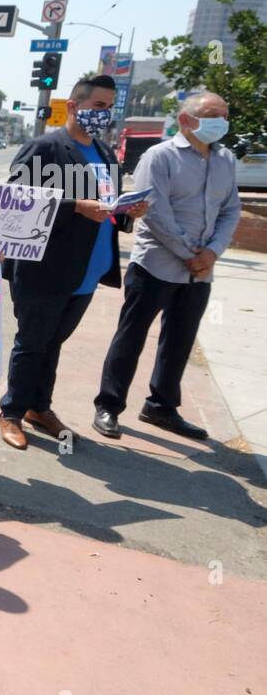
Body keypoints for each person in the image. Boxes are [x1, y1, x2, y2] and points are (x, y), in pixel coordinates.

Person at [0, 73, 148, 450]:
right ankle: (11, 411)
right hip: (44, 269)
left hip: (88, 271)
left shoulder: (105, 153)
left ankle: (39, 407)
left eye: (109, 108)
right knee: (32, 343)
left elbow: (109, 207)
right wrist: (75, 208)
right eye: (98, 106)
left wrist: (128, 211)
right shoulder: (45, 148)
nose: (104, 114)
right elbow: (16, 203)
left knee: (53, 343)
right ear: (74, 106)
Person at [93, 92, 240, 440]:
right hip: (156, 263)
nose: (221, 120)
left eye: (224, 114)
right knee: (132, 336)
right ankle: (109, 406)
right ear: (185, 120)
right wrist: (189, 252)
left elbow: (230, 209)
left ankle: (161, 406)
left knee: (180, 338)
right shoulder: (160, 157)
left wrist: (213, 252)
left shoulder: (226, 159)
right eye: (212, 114)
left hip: (201, 269)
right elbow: (153, 211)